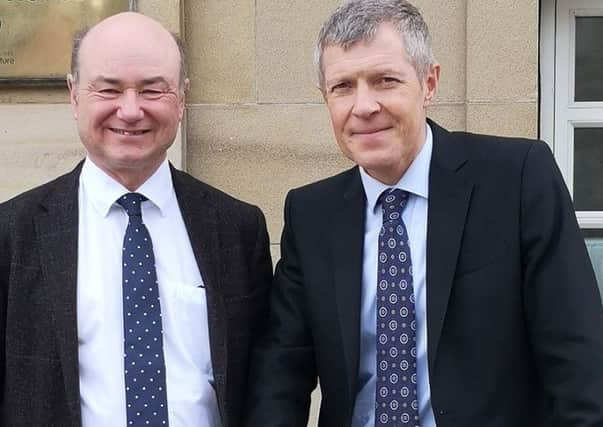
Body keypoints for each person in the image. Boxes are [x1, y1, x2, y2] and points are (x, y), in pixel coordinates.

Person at [245, 1, 603, 426]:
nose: (364, 106)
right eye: (343, 87)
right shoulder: (311, 213)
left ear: (429, 82)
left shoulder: (517, 179)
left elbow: (578, 361)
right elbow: (282, 368)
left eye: (385, 80)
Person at [0, 12, 272, 427]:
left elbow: (263, 383)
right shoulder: (12, 233)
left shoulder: (237, 228)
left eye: (152, 89)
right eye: (108, 89)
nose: (130, 111)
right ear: (74, 95)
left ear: (181, 98)